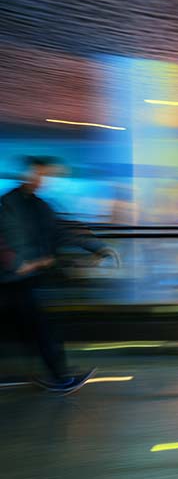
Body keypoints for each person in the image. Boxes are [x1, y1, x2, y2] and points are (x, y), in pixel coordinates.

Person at [0, 156, 118, 393]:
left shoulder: (39, 206)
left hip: (27, 278)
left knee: (38, 327)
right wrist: (18, 264)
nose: (42, 180)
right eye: (39, 174)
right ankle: (58, 377)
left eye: (46, 175)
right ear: (26, 174)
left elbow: (62, 232)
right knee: (40, 328)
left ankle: (56, 376)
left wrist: (97, 247)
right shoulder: (8, 205)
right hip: (12, 278)